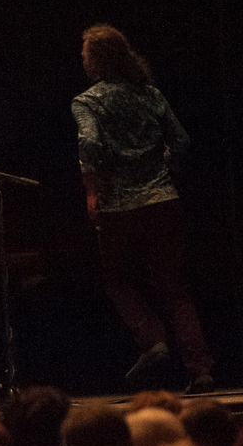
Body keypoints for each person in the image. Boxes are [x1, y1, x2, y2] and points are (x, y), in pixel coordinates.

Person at [72, 24, 215, 394]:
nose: (82, 59)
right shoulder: (150, 95)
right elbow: (181, 141)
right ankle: (200, 369)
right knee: (173, 286)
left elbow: (89, 144)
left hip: (119, 205)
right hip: (164, 201)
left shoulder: (88, 101)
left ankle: (153, 340)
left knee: (116, 278)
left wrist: (92, 193)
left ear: (98, 59)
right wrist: (161, 168)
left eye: (86, 53)